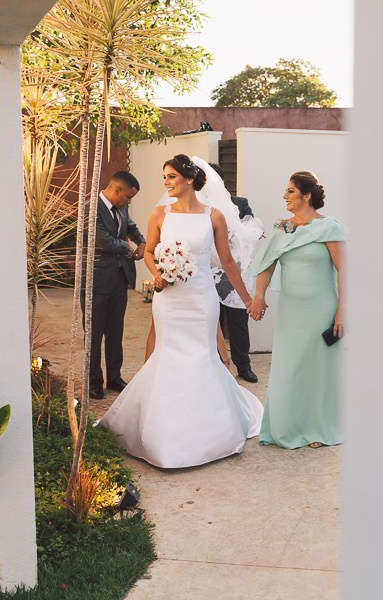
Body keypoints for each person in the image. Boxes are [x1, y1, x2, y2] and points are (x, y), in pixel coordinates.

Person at [99, 155, 263, 468]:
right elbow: (149, 252)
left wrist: (246, 298)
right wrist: (158, 273)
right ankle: (160, 433)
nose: (166, 183)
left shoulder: (213, 216)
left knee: (202, 355)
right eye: (164, 177)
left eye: (171, 176)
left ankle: (208, 432)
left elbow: (227, 262)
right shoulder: (159, 214)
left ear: (189, 179)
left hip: (201, 299)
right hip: (169, 300)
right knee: (167, 354)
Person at [247, 171, 347, 449]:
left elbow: (345, 271)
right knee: (290, 368)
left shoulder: (330, 228)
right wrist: (259, 296)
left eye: (290, 191)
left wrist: (343, 311)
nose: (284, 196)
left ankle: (318, 428)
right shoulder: (282, 228)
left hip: (321, 308)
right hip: (292, 311)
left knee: (317, 370)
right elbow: (267, 264)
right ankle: (287, 426)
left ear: (307, 195)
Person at [85, 171, 146, 400]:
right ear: (117, 190)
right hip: (96, 280)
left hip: (120, 278)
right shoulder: (90, 208)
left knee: (115, 331)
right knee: (93, 333)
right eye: (128, 197)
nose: (129, 202)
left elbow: (130, 226)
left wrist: (141, 241)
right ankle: (94, 381)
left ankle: (114, 376)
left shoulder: (121, 206)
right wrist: (127, 247)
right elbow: (101, 240)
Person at [208, 162, 260, 383]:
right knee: (211, 321)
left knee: (238, 321)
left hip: (232, 272)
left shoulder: (239, 204)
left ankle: (243, 365)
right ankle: (216, 365)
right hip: (205, 272)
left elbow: (252, 228)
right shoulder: (196, 207)